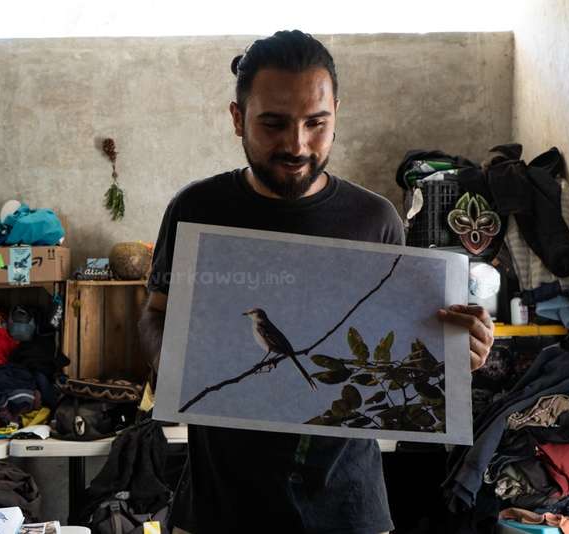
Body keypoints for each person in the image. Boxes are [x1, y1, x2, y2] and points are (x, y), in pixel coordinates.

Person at [138, 30, 494, 534]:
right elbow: (156, 313)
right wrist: (170, 365)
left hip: (348, 512)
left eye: (316, 123)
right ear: (237, 118)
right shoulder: (197, 209)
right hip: (218, 512)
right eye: (273, 123)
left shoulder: (376, 220)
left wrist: (457, 355)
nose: (296, 144)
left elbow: (396, 357)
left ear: (336, 116)